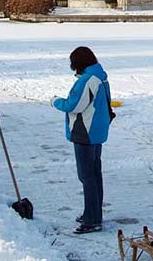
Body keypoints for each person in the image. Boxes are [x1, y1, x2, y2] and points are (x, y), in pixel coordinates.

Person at [51, 46, 113, 234]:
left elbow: (74, 105)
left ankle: (92, 219)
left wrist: (55, 101)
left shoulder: (88, 80)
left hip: (85, 132)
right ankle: (93, 213)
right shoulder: (101, 76)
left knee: (87, 176)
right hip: (97, 131)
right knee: (94, 175)